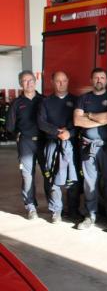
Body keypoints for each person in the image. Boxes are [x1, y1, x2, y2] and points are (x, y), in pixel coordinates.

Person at [74, 68, 107, 230]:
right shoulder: (83, 99)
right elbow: (77, 121)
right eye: (96, 77)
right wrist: (101, 118)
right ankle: (90, 216)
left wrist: (88, 115)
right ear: (91, 80)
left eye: (102, 77)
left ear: (106, 80)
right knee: (89, 183)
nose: (99, 80)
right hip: (88, 147)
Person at [37, 71, 80, 223]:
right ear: (52, 82)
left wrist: (70, 133)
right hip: (52, 144)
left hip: (71, 144)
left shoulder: (76, 101)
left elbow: (80, 123)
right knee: (53, 179)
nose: (61, 83)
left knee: (73, 179)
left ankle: (73, 210)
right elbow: (41, 123)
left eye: (63, 80)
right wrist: (57, 132)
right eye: (57, 81)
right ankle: (56, 211)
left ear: (68, 81)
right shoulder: (46, 102)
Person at [6, 70, 48, 220]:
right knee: (27, 176)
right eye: (25, 81)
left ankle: (53, 205)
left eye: (31, 80)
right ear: (20, 84)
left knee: (48, 173)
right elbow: (9, 126)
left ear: (35, 82)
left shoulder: (44, 100)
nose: (29, 83)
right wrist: (18, 135)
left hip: (44, 142)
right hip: (25, 142)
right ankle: (31, 206)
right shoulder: (16, 103)